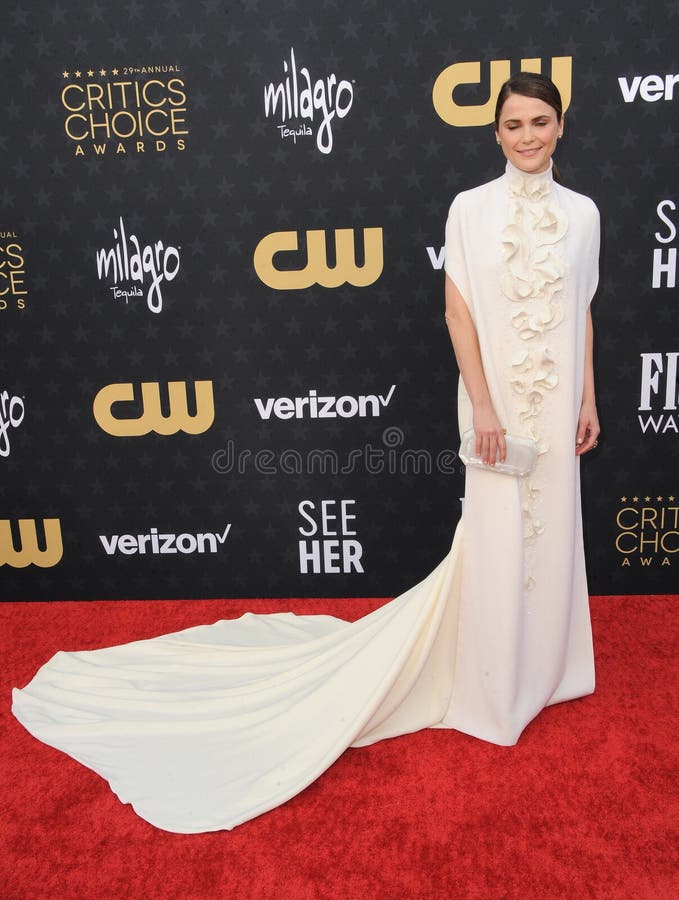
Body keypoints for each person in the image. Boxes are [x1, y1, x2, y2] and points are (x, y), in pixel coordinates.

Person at [11, 73, 600, 834]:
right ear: (494, 132)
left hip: (557, 406)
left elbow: (581, 306)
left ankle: (545, 664)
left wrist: (586, 397)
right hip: (493, 404)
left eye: (540, 121)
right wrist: (482, 404)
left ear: (561, 126)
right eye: (513, 123)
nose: (527, 135)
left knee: (551, 533)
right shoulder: (470, 209)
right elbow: (456, 311)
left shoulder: (584, 213)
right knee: (494, 534)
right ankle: (494, 679)